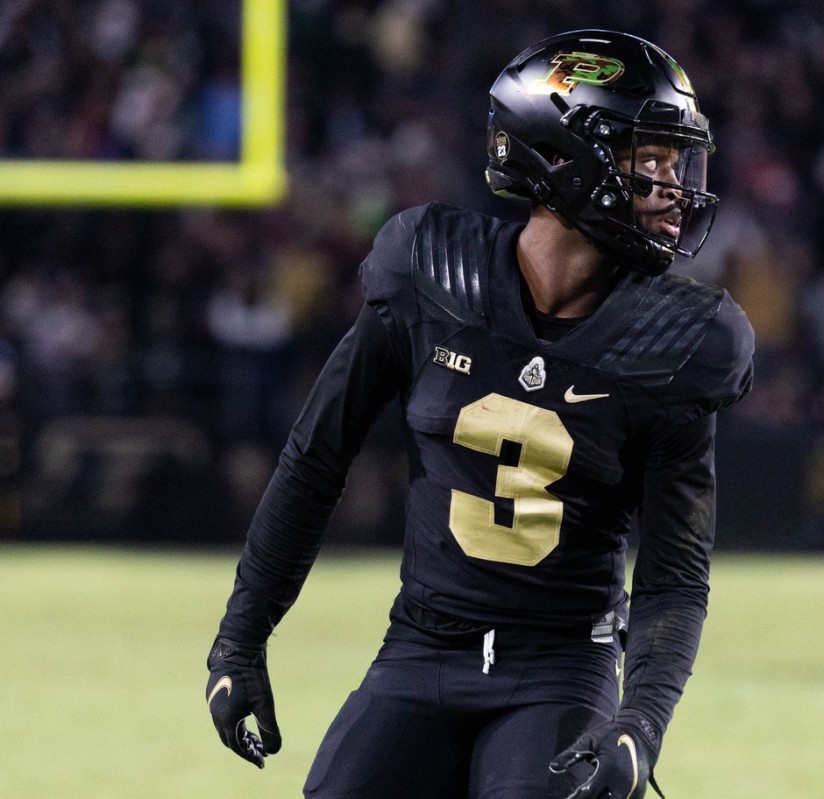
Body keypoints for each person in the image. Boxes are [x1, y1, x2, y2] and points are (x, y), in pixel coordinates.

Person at [205, 29, 754, 798]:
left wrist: (641, 722)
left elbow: (673, 572)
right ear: (561, 157)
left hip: (561, 667)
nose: (673, 186)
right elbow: (316, 457)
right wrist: (240, 639)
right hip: (422, 649)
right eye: (649, 159)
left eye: (675, 161)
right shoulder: (428, 274)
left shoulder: (680, 339)